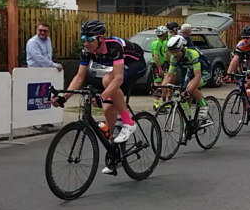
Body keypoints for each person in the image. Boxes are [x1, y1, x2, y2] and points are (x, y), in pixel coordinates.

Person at [52, 20, 146, 174]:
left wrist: (102, 96)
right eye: (83, 38)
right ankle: (113, 151)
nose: (86, 43)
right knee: (108, 108)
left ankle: (129, 122)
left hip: (136, 64)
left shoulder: (113, 47)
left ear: (100, 38)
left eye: (90, 39)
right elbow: (79, 77)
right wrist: (64, 98)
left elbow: (118, 78)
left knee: (108, 80)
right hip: (119, 70)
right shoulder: (87, 51)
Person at [162, 35, 210, 120]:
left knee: (191, 88)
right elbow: (169, 75)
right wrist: (160, 88)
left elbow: (198, 76)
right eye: (172, 52)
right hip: (190, 71)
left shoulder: (192, 54)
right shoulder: (174, 58)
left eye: (176, 51)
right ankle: (188, 117)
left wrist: (188, 91)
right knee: (182, 92)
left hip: (204, 72)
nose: (174, 54)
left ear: (182, 48)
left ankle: (204, 105)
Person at [26, 22, 61, 130]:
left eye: (45, 31)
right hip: (34, 72)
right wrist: (54, 65)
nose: (42, 32)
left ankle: (45, 120)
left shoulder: (48, 40)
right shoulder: (32, 42)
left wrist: (50, 67)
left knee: (45, 97)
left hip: (45, 72)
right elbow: (39, 59)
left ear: (48, 32)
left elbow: (47, 57)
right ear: (37, 30)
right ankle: (35, 123)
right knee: (35, 98)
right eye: (40, 30)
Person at [150, 26, 169, 110]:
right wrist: (160, 68)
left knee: (164, 83)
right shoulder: (157, 43)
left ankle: (163, 103)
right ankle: (156, 104)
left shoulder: (162, 42)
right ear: (163, 34)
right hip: (157, 65)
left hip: (163, 64)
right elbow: (156, 56)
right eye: (166, 33)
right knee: (157, 84)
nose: (167, 35)